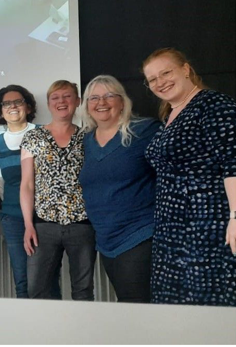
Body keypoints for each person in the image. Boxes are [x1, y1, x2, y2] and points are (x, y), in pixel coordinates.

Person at [142, 48, 236, 306]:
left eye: (166, 72)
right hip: (170, 232)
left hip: (207, 227)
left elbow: (234, 162)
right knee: (175, 312)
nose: (160, 82)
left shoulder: (214, 105)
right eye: (152, 79)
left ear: (186, 69)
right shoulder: (170, 116)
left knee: (207, 306)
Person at [79, 75, 161, 303]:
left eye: (108, 96)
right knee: (127, 306)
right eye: (93, 98)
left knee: (137, 308)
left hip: (139, 235)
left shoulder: (144, 131)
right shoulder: (86, 140)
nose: (101, 102)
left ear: (122, 101)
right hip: (105, 240)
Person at [21, 80, 95, 300]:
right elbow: (27, 184)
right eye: (55, 97)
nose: (61, 102)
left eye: (67, 96)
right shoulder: (33, 137)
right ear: (48, 103)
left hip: (82, 225)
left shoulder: (89, 137)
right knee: (37, 289)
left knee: (83, 291)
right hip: (43, 225)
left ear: (78, 101)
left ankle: (80, 334)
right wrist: (28, 225)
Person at [0, 85, 39, 298]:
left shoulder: (42, 133)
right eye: (7, 104)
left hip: (43, 217)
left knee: (44, 277)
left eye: (18, 101)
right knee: (21, 279)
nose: (13, 107)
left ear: (27, 106)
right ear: (0, 111)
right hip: (12, 218)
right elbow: (0, 184)